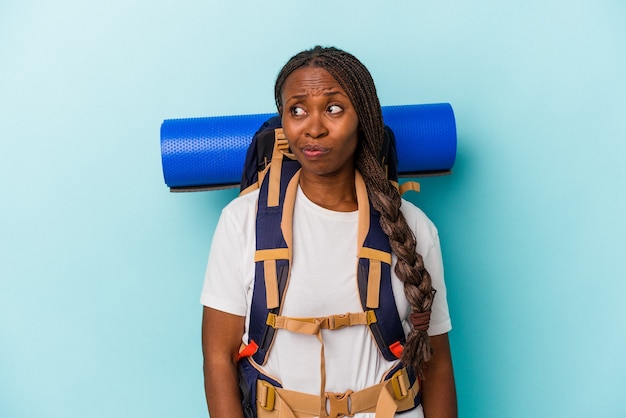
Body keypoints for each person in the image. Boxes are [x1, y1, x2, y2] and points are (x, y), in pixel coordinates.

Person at [201, 46, 457, 418]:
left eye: (334, 108)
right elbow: (217, 358)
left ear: (363, 119)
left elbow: (437, 364)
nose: (314, 127)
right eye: (297, 110)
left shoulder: (413, 226)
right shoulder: (242, 221)